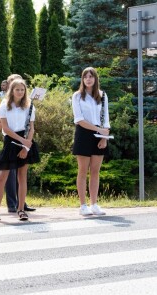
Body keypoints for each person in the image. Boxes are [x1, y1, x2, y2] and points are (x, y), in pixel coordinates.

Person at [0, 79, 40, 222]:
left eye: (22, 90)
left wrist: (26, 146)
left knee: (22, 177)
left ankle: (21, 209)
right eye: (17, 90)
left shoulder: (29, 106)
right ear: (12, 90)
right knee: (2, 177)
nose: (20, 92)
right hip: (11, 141)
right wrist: (22, 141)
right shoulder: (4, 105)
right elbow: (5, 128)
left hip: (25, 141)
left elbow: (31, 127)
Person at [72, 67, 109, 216]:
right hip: (83, 134)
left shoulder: (103, 95)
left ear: (95, 79)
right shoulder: (77, 96)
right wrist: (98, 130)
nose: (88, 79)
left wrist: (104, 138)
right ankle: (83, 205)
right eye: (86, 77)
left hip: (100, 135)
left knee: (95, 171)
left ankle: (94, 204)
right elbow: (79, 119)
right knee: (83, 170)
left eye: (91, 76)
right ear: (82, 79)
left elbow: (105, 118)